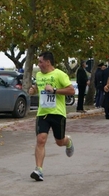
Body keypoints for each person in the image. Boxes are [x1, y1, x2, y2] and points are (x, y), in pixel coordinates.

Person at [28, 51, 75, 181]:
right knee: (40, 140)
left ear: (48, 62)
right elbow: (37, 87)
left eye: (40, 62)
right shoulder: (38, 75)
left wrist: (55, 90)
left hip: (57, 113)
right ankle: (39, 170)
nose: (39, 64)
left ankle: (68, 141)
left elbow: (71, 90)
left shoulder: (59, 74)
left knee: (59, 142)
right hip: (42, 113)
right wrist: (33, 90)